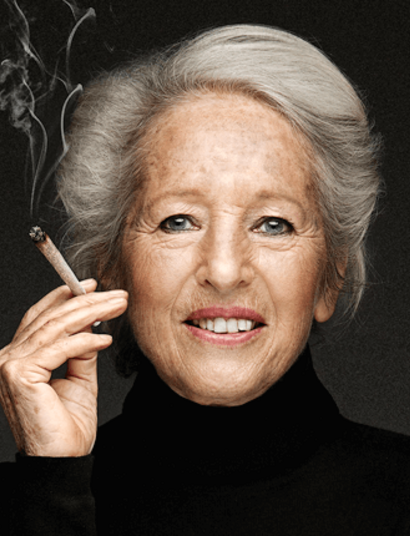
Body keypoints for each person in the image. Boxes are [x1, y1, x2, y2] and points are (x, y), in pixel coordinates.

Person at [1, 24, 409, 535]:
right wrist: (51, 493)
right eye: (178, 221)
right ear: (111, 265)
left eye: (273, 224)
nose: (223, 270)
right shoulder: (25, 507)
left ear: (330, 278)